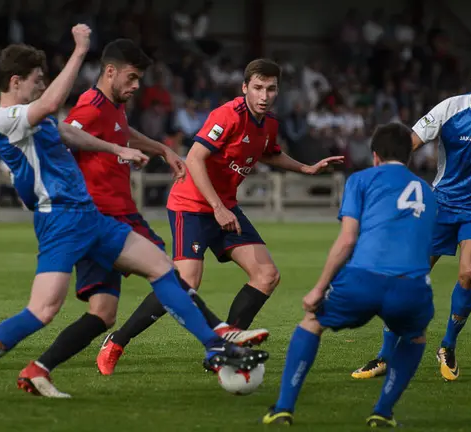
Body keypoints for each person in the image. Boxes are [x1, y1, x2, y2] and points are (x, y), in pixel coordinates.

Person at [0, 26, 267, 403]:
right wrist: (80, 51)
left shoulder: (37, 118)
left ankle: (215, 345)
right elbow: (49, 107)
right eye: (36, 80)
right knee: (42, 310)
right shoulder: (4, 118)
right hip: (59, 221)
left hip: (91, 217)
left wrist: (117, 149)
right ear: (16, 81)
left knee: (162, 267)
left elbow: (70, 133)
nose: (41, 86)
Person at [18, 39, 269, 385]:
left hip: (110, 218)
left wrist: (159, 149)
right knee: (169, 273)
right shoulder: (90, 105)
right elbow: (65, 133)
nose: (137, 86)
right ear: (110, 72)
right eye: (132, 78)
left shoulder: (112, 105)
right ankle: (219, 338)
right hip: (99, 220)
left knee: (102, 314)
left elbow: (121, 132)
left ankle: (38, 370)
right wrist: (105, 154)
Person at [97, 58, 343, 374]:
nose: (264, 96)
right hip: (192, 204)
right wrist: (217, 206)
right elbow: (196, 159)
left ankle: (225, 348)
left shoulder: (269, 124)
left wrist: (306, 168)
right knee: (184, 282)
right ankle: (117, 341)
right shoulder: (227, 115)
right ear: (245, 88)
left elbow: (270, 152)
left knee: (267, 275)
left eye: (270, 89)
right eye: (257, 88)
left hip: (223, 206)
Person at [352, 49, 471, 382]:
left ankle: (447, 345)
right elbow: (411, 141)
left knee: (468, 274)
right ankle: (383, 357)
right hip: (442, 205)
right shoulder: (450, 109)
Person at [262, 123, 437, 427]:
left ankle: (283, 408)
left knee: (312, 322)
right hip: (411, 285)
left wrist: (319, 288)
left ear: (375, 156)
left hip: (363, 279)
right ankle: (382, 412)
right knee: (416, 336)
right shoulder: (428, 192)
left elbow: (347, 240)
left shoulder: (361, 180)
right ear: (409, 156)